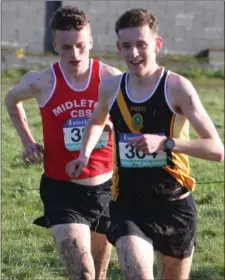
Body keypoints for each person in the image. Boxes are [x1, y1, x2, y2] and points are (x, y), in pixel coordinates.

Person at [66, 8, 224, 280]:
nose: (134, 53)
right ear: (118, 47)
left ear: (157, 44)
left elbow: (216, 150)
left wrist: (166, 143)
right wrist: (84, 154)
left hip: (174, 204)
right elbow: (95, 121)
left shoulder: (177, 87)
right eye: (126, 46)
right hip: (128, 204)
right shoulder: (110, 87)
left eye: (141, 44)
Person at [5, 5, 122, 280]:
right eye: (66, 47)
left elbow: (135, 117)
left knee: (99, 274)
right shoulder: (41, 81)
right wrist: (28, 142)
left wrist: (113, 124)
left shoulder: (111, 79)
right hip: (62, 191)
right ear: (54, 44)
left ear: (91, 41)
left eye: (81, 45)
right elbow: (11, 101)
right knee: (82, 274)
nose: (75, 54)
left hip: (107, 188)